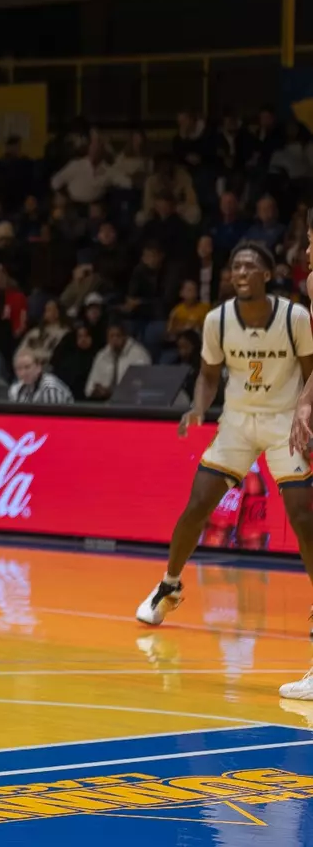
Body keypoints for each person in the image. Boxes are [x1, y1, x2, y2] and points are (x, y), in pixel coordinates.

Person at [139, 245, 313, 688]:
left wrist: (305, 411)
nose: (241, 271)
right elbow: (208, 375)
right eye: (236, 266)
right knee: (197, 505)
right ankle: (169, 585)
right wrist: (198, 407)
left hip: (282, 420)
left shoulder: (294, 317)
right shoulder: (217, 320)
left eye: (250, 266)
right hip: (237, 422)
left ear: (268, 274)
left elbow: (311, 370)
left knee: (303, 516)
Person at [85, 320, 152, 400]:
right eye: (111, 336)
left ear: (125, 336)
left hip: (128, 402)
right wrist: (96, 390)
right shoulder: (102, 355)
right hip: (102, 401)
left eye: (118, 336)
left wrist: (113, 393)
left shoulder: (139, 355)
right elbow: (89, 387)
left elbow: (142, 387)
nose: (115, 339)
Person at [9, 348, 74, 404]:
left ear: (38, 367)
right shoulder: (17, 388)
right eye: (19, 369)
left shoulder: (50, 388)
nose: (23, 373)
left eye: (27, 367)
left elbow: (54, 414)